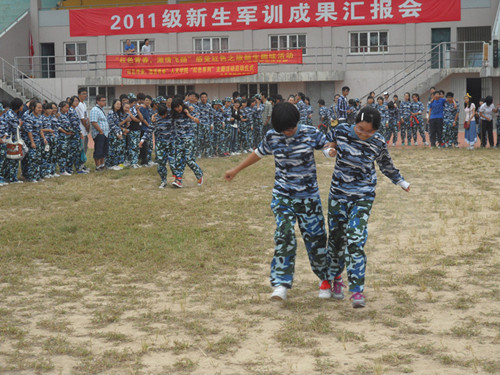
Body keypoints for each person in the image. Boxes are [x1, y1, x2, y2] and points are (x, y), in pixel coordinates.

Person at [225, 101, 335, 301]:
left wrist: (330, 152)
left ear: (297, 122)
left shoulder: (310, 133)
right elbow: (258, 154)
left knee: (316, 238)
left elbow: (327, 147)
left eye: (290, 129)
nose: (287, 133)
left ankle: (325, 280)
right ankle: (280, 283)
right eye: (283, 130)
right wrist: (236, 170)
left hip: (308, 197)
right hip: (282, 196)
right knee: (284, 235)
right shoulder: (272, 136)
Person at [326, 106, 410, 308]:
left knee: (355, 238)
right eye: (361, 129)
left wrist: (400, 181)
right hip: (338, 194)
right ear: (355, 123)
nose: (364, 134)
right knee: (337, 238)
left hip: (363, 195)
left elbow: (386, 164)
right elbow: (326, 143)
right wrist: (329, 151)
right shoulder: (342, 131)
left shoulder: (378, 142)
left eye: (369, 131)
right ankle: (336, 277)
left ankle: (356, 290)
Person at [140, 104, 175, 188]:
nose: (163, 116)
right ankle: (163, 180)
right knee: (161, 163)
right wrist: (142, 140)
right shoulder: (156, 118)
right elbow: (149, 130)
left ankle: (177, 179)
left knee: (173, 163)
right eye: (161, 114)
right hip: (160, 143)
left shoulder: (172, 116)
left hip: (171, 143)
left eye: (164, 114)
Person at [170, 98, 203, 188]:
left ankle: (199, 174)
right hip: (179, 140)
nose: (178, 109)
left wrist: (188, 115)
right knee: (179, 159)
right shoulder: (173, 115)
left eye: (179, 106)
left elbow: (198, 121)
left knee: (188, 159)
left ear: (182, 104)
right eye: (175, 108)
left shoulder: (190, 110)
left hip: (189, 138)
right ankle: (178, 180)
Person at [0, 98, 24, 183]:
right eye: (22, 105)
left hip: (8, 139)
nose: (23, 107)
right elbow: (15, 128)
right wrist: (20, 124)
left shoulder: (10, 113)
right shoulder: (12, 115)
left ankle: (9, 177)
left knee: (9, 160)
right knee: (13, 160)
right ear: (19, 106)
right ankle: (12, 178)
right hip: (9, 140)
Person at [89, 95, 110, 171]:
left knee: (104, 150)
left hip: (105, 133)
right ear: (98, 101)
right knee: (98, 150)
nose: (104, 102)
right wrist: (100, 131)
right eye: (103, 100)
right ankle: (98, 166)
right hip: (99, 134)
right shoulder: (95, 110)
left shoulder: (101, 109)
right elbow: (94, 122)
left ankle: (102, 165)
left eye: (105, 100)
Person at [75, 87, 90, 168]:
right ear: (79, 94)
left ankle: (82, 164)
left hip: (85, 131)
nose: (85, 95)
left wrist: (88, 126)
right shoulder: (79, 105)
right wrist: (87, 127)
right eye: (83, 94)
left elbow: (86, 117)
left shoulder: (84, 104)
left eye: (86, 94)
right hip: (81, 130)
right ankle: (79, 166)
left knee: (85, 148)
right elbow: (82, 119)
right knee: (81, 149)